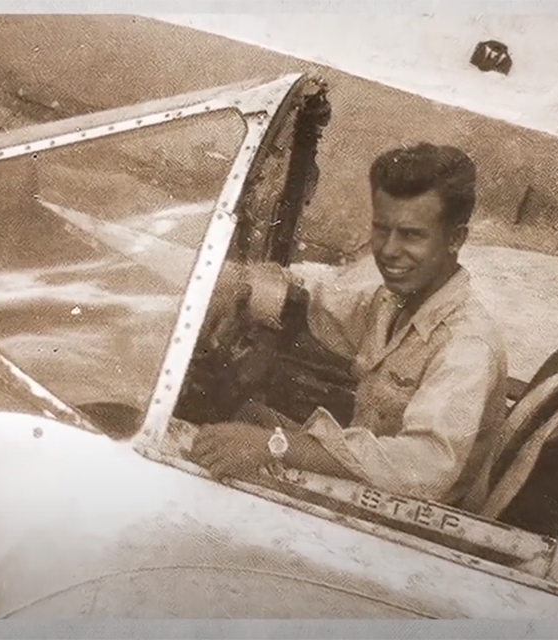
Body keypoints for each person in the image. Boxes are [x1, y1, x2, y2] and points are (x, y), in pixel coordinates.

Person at [191, 142, 508, 506]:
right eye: (381, 229)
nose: (388, 251)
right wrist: (244, 288)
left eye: (411, 235)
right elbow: (319, 301)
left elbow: (424, 465)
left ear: (455, 239)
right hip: (367, 487)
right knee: (242, 415)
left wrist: (273, 444)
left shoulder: (466, 346)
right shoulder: (396, 301)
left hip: (402, 525)